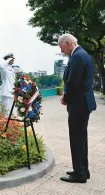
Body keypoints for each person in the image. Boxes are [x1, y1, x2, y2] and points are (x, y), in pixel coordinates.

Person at [59, 34, 96, 183]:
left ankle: (79, 174)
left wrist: (65, 98)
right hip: (83, 102)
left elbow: (73, 82)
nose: (61, 51)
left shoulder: (78, 56)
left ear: (68, 43)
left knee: (76, 138)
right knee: (81, 138)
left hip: (79, 103)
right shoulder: (81, 54)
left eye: (61, 47)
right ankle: (82, 170)